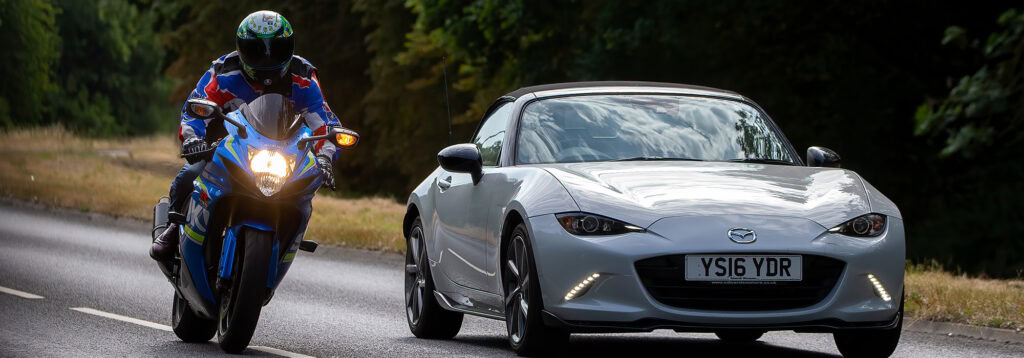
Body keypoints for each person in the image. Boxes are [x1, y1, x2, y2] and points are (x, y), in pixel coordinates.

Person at [150, 10, 341, 261]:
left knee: (305, 190)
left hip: (282, 151)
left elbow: (324, 122)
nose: (267, 58)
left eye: (277, 49)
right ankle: (175, 228)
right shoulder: (223, 72)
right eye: (256, 50)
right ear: (241, 50)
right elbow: (195, 108)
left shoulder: (303, 76)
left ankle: (286, 242)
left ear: (290, 47)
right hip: (225, 143)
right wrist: (194, 140)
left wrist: (325, 157)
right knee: (191, 174)